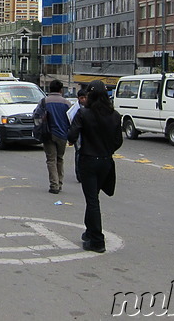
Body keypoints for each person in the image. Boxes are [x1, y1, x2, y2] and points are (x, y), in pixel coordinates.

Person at [67, 80, 122, 253]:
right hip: (106, 161)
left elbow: (72, 135)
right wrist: (107, 150)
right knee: (93, 198)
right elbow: (118, 141)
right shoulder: (115, 115)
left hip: (88, 160)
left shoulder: (84, 113)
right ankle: (89, 232)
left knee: (92, 201)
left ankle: (97, 240)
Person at [42, 79, 72, 194]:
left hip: (48, 134)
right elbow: (71, 119)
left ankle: (53, 185)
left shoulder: (44, 101)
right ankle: (59, 183)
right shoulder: (66, 103)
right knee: (59, 159)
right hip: (62, 135)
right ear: (61, 90)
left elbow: (36, 115)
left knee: (51, 160)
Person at [67, 89, 88, 183]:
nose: (83, 100)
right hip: (78, 135)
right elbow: (73, 124)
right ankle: (79, 174)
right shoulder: (75, 109)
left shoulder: (89, 107)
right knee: (79, 154)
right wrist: (72, 138)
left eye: (85, 98)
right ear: (78, 98)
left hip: (87, 135)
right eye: (81, 98)